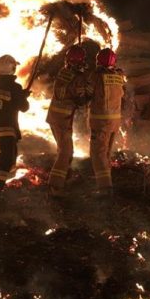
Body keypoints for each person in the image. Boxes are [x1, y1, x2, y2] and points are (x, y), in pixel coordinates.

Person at [46, 44, 89, 197]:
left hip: (53, 117)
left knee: (63, 150)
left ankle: (65, 178)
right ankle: (55, 186)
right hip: (63, 119)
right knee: (66, 152)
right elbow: (81, 100)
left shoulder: (63, 72)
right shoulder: (78, 78)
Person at [0, 54, 30, 205]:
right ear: (11, 69)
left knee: (10, 157)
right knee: (6, 159)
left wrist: (20, 95)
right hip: (8, 128)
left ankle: (3, 186)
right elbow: (24, 107)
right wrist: (23, 96)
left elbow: (9, 102)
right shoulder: (14, 87)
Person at [87, 48, 126, 197]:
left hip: (100, 122)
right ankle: (106, 180)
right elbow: (121, 94)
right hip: (114, 122)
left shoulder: (96, 76)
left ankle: (105, 188)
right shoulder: (118, 77)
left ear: (98, 61)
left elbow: (87, 94)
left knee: (98, 154)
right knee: (106, 153)